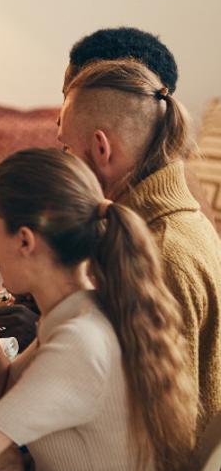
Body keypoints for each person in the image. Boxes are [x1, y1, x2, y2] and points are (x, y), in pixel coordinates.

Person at [0, 148, 197, 471]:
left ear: (25, 240)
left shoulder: (78, 341)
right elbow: (1, 397)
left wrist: (6, 456)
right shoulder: (84, 310)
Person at [0, 25, 203, 351]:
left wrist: (46, 330)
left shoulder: (162, 253)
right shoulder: (136, 213)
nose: (60, 122)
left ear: (102, 145)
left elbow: (161, 395)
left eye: (71, 94)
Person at [59, 58, 221, 435]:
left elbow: (169, 427)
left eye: (67, 150)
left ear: (101, 148)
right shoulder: (175, 221)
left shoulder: (159, 255)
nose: (64, 164)